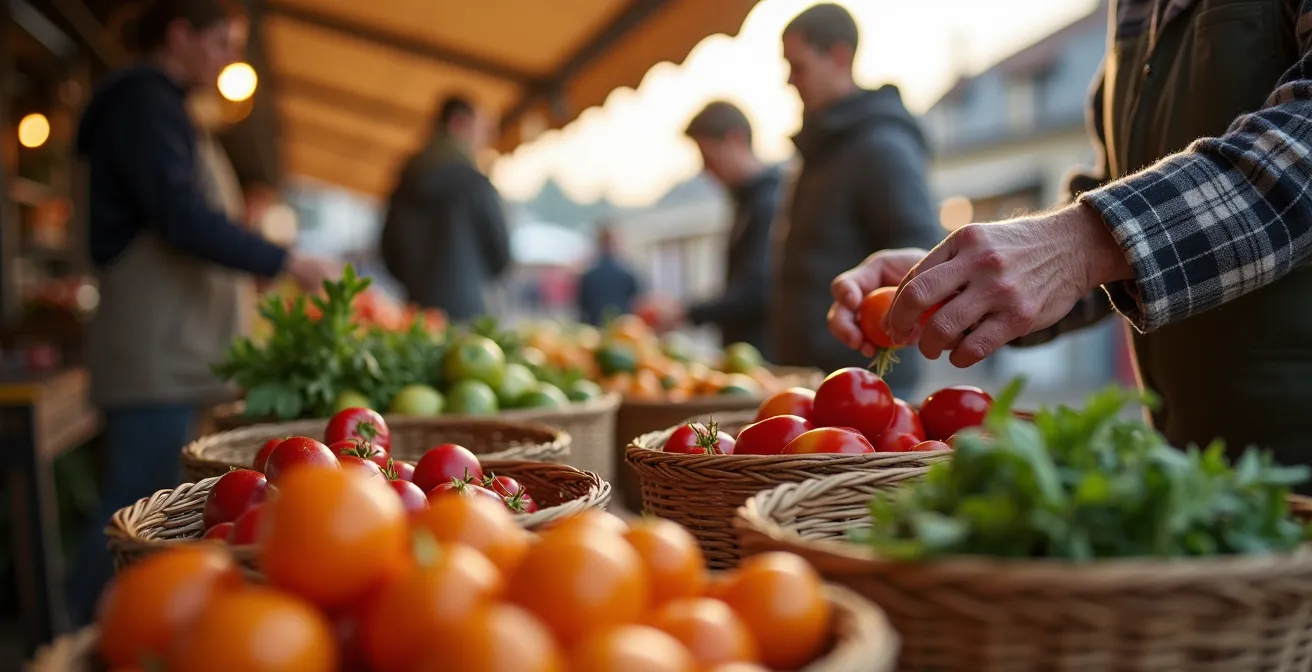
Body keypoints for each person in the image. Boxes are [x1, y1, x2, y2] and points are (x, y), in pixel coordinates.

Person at [828, 0, 1312, 488]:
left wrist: (1080, 244)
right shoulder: (1132, 10)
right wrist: (959, 282)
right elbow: (1114, 194)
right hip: (1187, 464)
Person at [68, 0, 338, 623]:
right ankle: (71, 635)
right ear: (179, 34)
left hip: (173, 354)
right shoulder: (142, 103)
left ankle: (106, 626)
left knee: (145, 512)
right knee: (133, 517)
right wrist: (284, 260)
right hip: (153, 358)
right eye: (221, 42)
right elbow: (182, 217)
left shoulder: (167, 109)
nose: (230, 58)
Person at [774, 3, 943, 398]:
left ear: (839, 56)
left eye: (798, 67)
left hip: (868, 383)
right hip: (818, 379)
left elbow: (921, 250)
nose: (789, 81)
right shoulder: (822, 149)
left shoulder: (882, 146)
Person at [642, 101, 781, 356]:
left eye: (709, 158)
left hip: (762, 353)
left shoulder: (769, 202)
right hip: (744, 353)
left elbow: (756, 290)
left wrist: (685, 311)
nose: (706, 170)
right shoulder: (747, 201)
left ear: (735, 140)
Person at [381, 95, 511, 322]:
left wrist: (416, 283)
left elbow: (388, 251)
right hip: (468, 311)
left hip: (416, 310)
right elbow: (501, 253)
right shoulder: (474, 184)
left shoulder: (405, 181)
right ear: (458, 123)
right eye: (482, 129)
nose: (485, 139)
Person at [577, 225, 641, 326]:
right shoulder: (628, 274)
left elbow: (582, 307)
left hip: (596, 328)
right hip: (623, 328)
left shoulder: (589, 275)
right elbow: (636, 304)